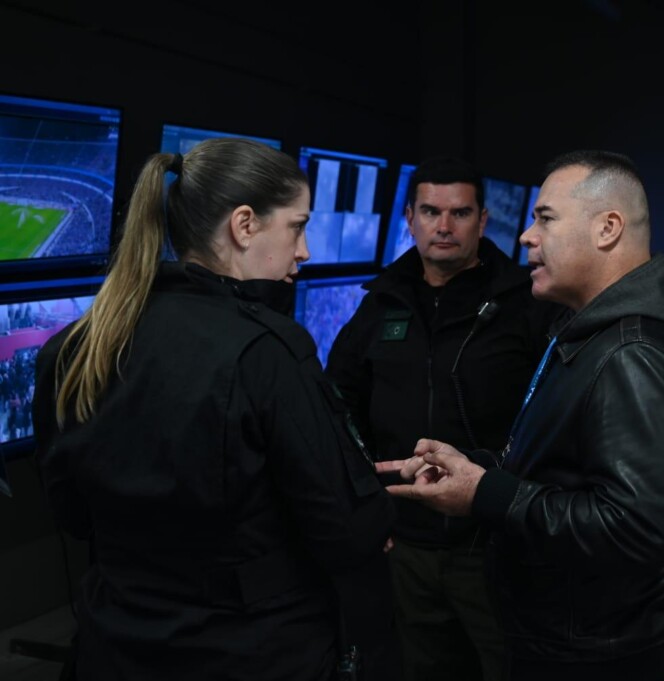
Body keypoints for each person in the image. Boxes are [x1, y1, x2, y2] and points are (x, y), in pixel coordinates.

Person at [32, 138, 395, 681]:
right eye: (297, 226)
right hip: (251, 653)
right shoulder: (267, 351)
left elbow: (72, 517)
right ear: (244, 225)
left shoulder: (72, 350)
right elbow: (344, 531)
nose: (304, 251)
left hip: (115, 647)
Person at [374, 150, 664, 681]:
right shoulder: (591, 331)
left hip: (604, 659)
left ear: (607, 229)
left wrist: (486, 493)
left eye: (546, 219)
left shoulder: (634, 352)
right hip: (578, 643)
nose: (526, 237)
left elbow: (632, 530)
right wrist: (477, 469)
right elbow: (569, 468)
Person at [326, 156, 563, 681]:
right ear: (409, 217)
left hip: (496, 539)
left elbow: (558, 415)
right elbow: (338, 404)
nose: (444, 226)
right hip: (406, 541)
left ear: (483, 221)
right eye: (431, 211)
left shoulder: (526, 302)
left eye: (460, 213)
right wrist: (367, 502)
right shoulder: (381, 302)